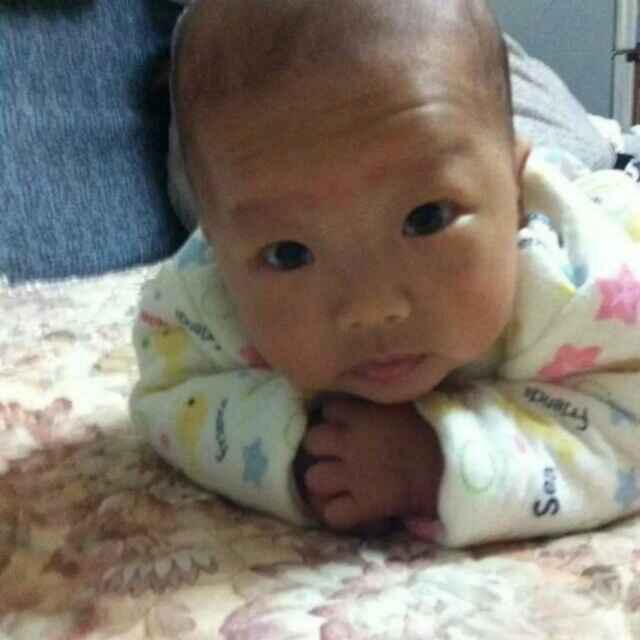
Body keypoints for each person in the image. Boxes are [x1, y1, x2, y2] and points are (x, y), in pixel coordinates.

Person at [130, 0, 640, 547]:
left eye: (427, 218)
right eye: (289, 254)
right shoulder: (202, 297)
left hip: (569, 169)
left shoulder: (581, 285)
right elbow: (170, 395)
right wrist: (296, 448)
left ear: (515, 193)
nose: (372, 308)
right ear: (217, 249)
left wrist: (442, 458)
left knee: (584, 147)